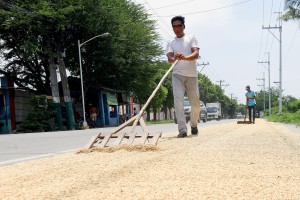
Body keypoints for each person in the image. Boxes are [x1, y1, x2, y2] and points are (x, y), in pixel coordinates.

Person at [166, 15, 201, 138]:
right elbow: (169, 58)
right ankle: (182, 130)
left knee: (195, 104)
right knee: (178, 101)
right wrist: (174, 58)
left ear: (183, 26)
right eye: (174, 26)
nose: (177, 29)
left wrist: (185, 58)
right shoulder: (171, 42)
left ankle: (194, 125)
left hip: (192, 76)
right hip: (177, 76)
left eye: (179, 26)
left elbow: (196, 54)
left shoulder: (191, 38)